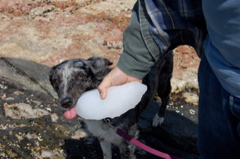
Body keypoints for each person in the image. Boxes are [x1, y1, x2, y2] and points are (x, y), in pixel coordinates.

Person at [98, 0, 240, 158]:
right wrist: (133, 62)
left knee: (164, 89)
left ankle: (162, 109)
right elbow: (167, 4)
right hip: (217, 74)